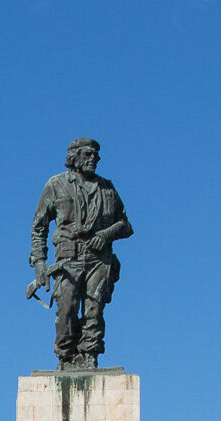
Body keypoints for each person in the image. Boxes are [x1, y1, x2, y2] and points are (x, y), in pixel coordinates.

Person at [26, 137, 133, 368]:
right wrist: (39, 262)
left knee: (94, 309)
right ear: (74, 157)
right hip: (68, 259)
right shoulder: (55, 185)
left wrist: (105, 235)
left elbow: (125, 225)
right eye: (88, 154)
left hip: (98, 259)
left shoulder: (107, 188)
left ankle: (90, 355)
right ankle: (66, 357)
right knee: (66, 309)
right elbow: (39, 226)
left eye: (96, 155)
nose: (94, 158)